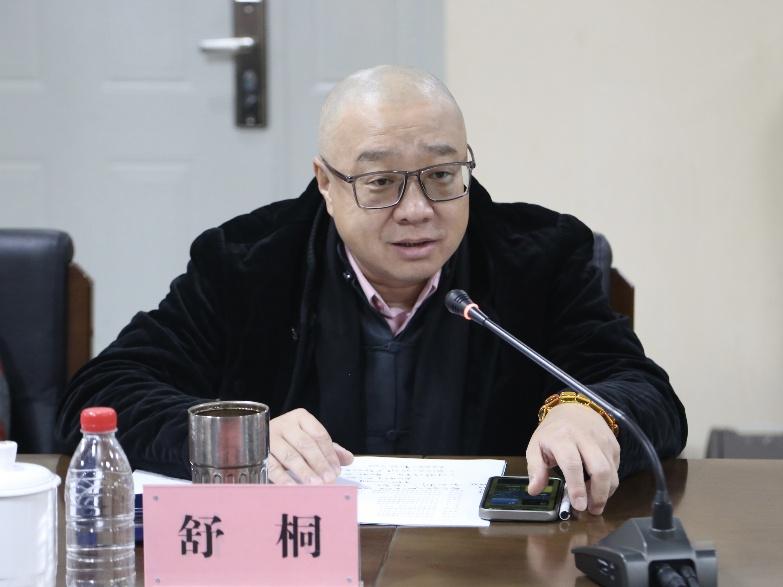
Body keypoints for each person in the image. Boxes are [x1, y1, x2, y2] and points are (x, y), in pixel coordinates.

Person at [56, 65, 686, 516]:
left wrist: (591, 412)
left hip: (490, 561)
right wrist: (239, 439)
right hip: (299, 557)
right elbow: (102, 394)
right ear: (325, 183)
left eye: (442, 175)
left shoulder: (538, 257)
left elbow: (649, 395)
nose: (417, 210)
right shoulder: (248, 261)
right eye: (381, 182)